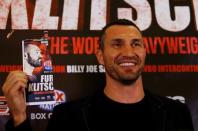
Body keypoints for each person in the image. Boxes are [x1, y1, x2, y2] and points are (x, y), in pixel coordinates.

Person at [2, 19, 194, 131]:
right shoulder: (67, 117)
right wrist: (19, 116)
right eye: (117, 44)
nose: (129, 52)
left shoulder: (177, 114)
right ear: (100, 56)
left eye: (136, 44)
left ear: (144, 52)